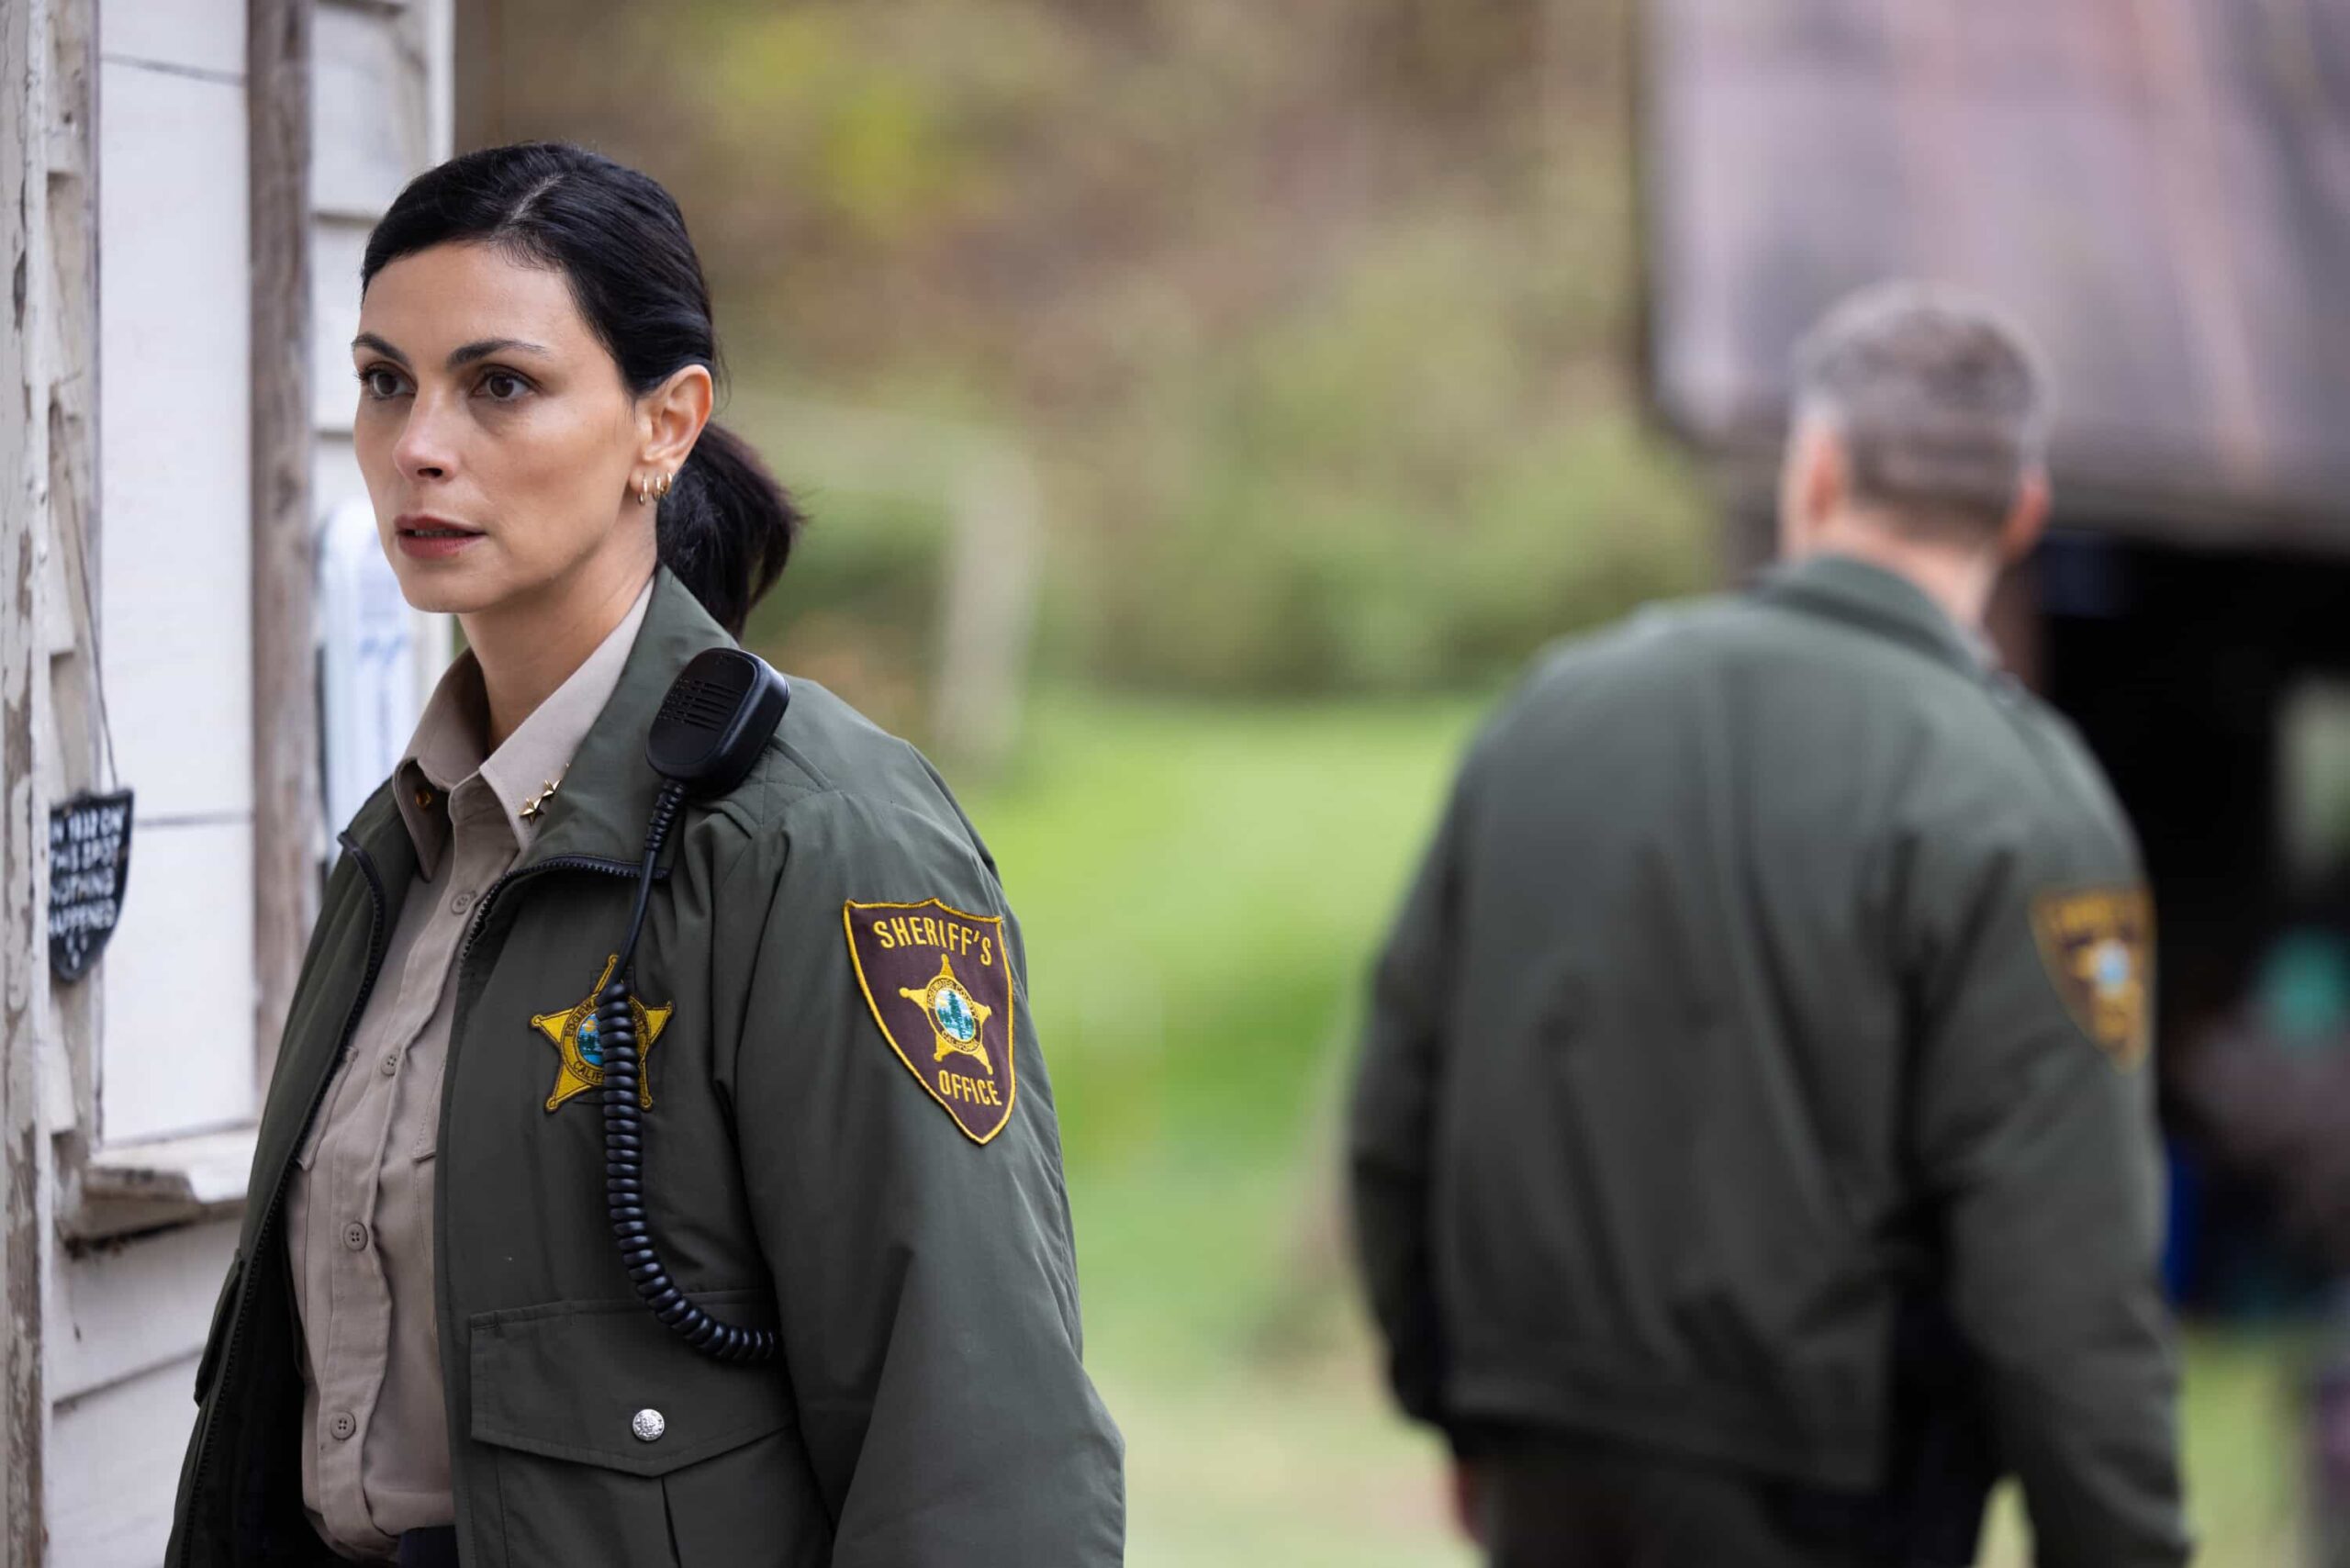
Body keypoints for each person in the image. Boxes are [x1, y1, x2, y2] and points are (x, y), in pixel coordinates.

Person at [167, 141, 1123, 1568]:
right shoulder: (406, 839)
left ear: (663, 426)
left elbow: (973, 1440)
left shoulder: (819, 836)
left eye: (500, 385)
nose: (419, 444)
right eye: (384, 383)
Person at [1346, 283, 2188, 1567]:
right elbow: (2063, 1269)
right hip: (1837, 1490)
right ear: (2024, 514)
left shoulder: (1554, 715)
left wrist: (1453, 1397)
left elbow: (1399, 1096)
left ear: (1816, 473)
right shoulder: (2027, 805)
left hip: (1544, 1456)